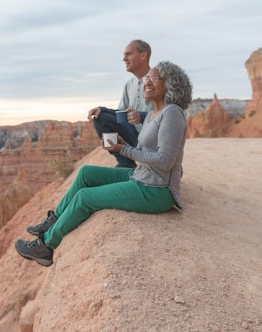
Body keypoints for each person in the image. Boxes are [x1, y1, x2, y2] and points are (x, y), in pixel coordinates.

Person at [15, 61, 192, 267]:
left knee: (85, 197)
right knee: (87, 173)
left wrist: (124, 150)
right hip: (142, 175)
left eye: (154, 78)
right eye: (146, 78)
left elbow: (165, 160)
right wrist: (123, 144)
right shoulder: (154, 113)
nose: (147, 83)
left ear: (170, 85)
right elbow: (147, 150)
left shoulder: (172, 113)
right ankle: (55, 219)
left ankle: (46, 246)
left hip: (158, 190)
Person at [88, 40, 153, 168]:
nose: (124, 59)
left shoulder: (159, 82)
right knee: (100, 118)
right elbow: (121, 114)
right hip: (134, 137)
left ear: (143, 55)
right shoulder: (129, 85)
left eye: (128, 54)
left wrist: (142, 116)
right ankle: (126, 164)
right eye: (124, 55)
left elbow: (171, 115)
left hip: (153, 140)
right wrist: (102, 110)